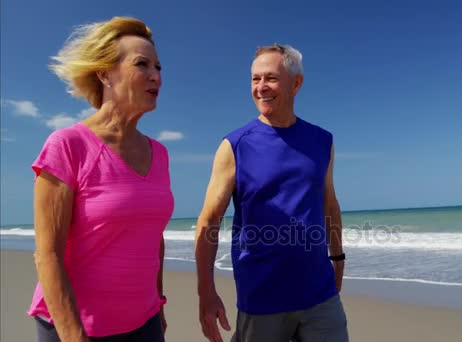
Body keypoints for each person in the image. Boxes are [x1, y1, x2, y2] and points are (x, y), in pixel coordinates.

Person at [28, 17, 172, 341]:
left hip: (145, 323)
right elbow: (47, 254)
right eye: (142, 64)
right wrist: (73, 335)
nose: (156, 76)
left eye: (159, 67)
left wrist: (159, 304)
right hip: (77, 327)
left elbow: (153, 237)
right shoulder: (67, 145)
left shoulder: (160, 154)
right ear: (105, 72)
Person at [195, 44, 348, 342]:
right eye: (255, 79)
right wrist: (206, 291)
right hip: (261, 300)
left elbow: (329, 205)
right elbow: (209, 220)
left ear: (296, 83)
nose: (261, 87)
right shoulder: (235, 145)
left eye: (271, 78)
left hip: (320, 294)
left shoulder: (322, 141)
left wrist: (338, 258)